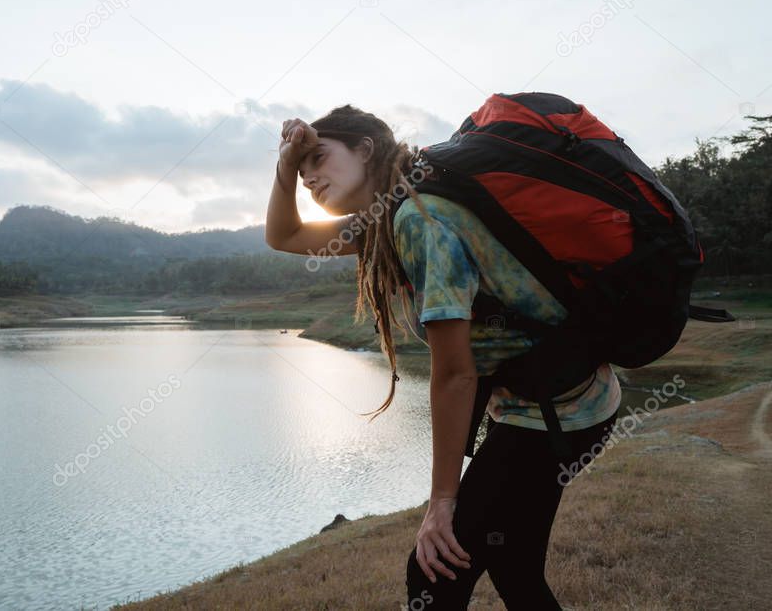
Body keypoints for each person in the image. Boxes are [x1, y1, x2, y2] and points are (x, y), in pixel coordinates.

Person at [265, 105, 622, 610]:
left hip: (556, 413)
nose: (309, 177)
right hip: (559, 400)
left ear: (365, 150)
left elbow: (455, 374)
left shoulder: (419, 220)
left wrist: (441, 504)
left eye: (318, 158)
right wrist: (286, 161)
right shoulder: (389, 214)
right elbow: (286, 236)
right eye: (302, 173)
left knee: (434, 576)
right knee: (514, 563)